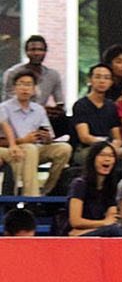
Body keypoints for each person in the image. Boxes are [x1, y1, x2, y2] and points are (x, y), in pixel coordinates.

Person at [1, 68, 72, 196]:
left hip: (36, 149)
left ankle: (47, 191)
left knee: (64, 148)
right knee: (30, 148)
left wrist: (47, 138)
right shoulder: (4, 108)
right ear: (14, 88)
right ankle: (31, 196)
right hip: (13, 149)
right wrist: (23, 141)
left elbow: (49, 137)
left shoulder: (39, 109)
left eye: (28, 84)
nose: (25, 88)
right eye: (21, 84)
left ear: (34, 89)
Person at [2, 35, 66, 136]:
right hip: (17, 115)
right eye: (32, 50)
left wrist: (57, 109)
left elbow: (60, 101)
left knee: (63, 119)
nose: (36, 53)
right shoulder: (13, 73)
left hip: (41, 116)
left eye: (40, 50)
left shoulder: (53, 75)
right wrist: (40, 108)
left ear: (45, 52)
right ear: (26, 52)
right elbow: (8, 102)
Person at [66, 141, 122, 237]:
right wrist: (103, 223)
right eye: (102, 155)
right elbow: (75, 221)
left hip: (94, 231)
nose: (107, 159)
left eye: (111, 156)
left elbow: (111, 219)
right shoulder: (79, 184)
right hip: (75, 237)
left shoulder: (111, 186)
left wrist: (102, 224)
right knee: (113, 231)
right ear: (93, 159)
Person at [71, 63, 122, 165]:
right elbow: (84, 137)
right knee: (100, 157)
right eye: (98, 77)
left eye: (106, 78)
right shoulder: (81, 105)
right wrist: (106, 146)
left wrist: (115, 145)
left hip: (109, 147)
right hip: (86, 148)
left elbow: (118, 137)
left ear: (111, 82)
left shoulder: (112, 106)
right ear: (89, 80)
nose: (102, 81)